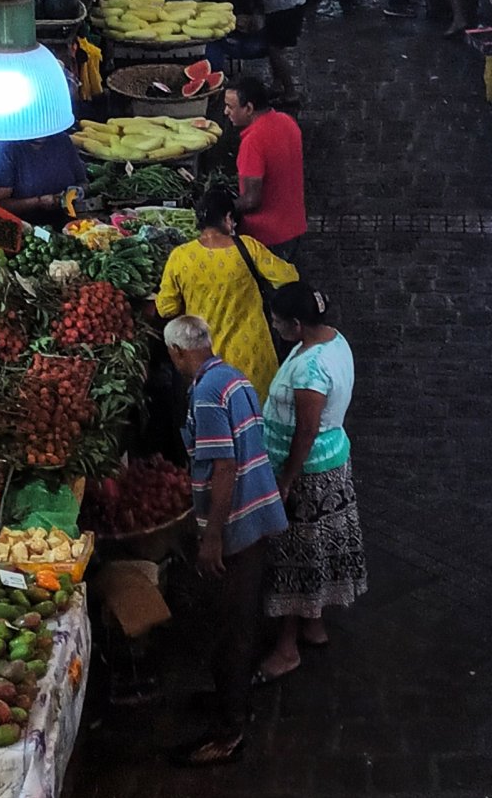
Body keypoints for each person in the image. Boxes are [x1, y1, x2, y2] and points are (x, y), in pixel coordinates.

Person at [165, 314, 288, 768]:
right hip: (258, 513)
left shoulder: (207, 394)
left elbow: (223, 467)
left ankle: (229, 730)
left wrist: (212, 536)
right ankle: (230, 700)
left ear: (178, 353)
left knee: (230, 625)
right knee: (238, 618)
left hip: (236, 524)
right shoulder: (234, 378)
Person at [257, 283, 366, 682]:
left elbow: (305, 431)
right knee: (318, 549)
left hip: (309, 473)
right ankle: (313, 623)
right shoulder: (335, 341)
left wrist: (286, 479)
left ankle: (286, 648)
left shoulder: (308, 368)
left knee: (296, 559)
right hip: (333, 459)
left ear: (298, 324)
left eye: (277, 321)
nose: (274, 326)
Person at [155, 186, 298, 398]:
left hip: (205, 357)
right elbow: (289, 278)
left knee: (216, 419)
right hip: (252, 356)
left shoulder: (180, 256)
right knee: (254, 415)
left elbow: (166, 308)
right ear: (229, 218)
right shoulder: (248, 247)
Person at [225, 74, 307, 259]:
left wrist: (222, 207)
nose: (225, 112)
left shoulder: (252, 142)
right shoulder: (287, 121)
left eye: (230, 107)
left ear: (249, 108)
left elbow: (252, 200)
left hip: (267, 238)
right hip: (294, 226)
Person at [0, 130, 87, 219]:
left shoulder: (62, 139)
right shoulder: (6, 151)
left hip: (69, 221)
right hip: (25, 228)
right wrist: (38, 202)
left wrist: (77, 192)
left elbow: (82, 180)